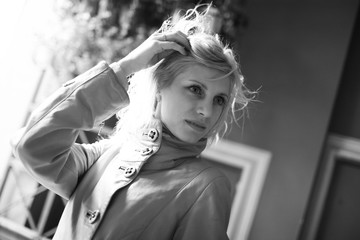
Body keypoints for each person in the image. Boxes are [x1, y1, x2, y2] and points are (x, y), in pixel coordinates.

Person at [11, 4, 251, 240]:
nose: (206, 111)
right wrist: (125, 66)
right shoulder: (108, 155)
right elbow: (32, 146)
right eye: (195, 89)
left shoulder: (207, 187)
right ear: (159, 89)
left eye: (219, 100)